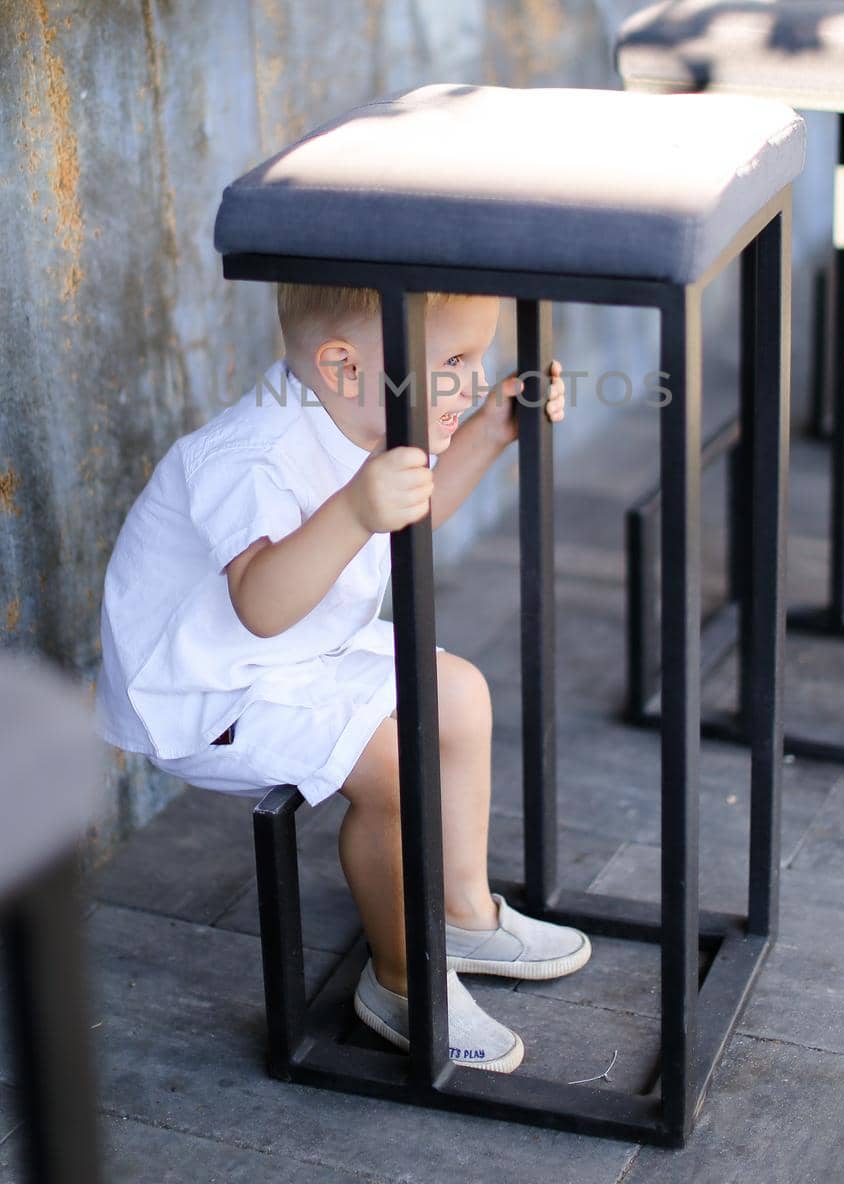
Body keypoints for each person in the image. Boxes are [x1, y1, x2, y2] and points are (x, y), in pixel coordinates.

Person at [96, 284, 590, 1075]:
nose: (472, 377)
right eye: (455, 361)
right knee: (395, 767)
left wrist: (494, 429)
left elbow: (413, 519)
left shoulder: (368, 411)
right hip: (209, 693)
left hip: (303, 654)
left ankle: (460, 911)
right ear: (345, 366)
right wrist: (353, 511)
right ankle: (399, 979)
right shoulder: (248, 455)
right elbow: (259, 604)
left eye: (478, 357)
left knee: (459, 693)